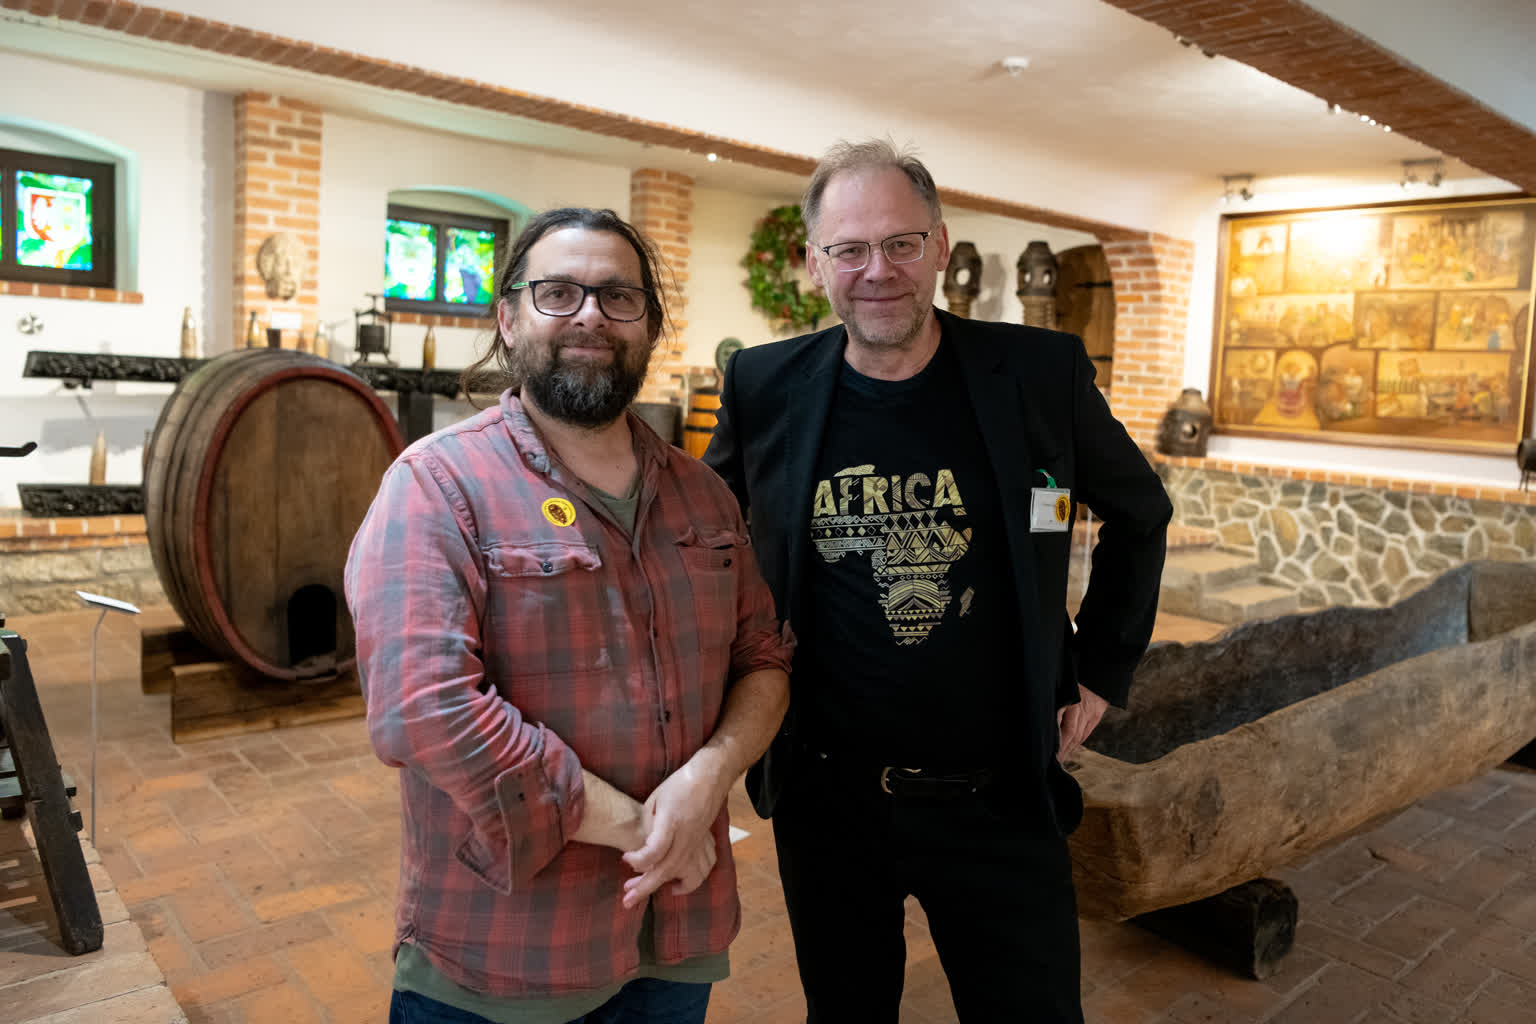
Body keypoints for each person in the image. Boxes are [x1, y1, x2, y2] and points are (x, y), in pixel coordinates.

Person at [703, 141, 1171, 1022]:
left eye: (901, 243)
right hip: (827, 799)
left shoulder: (1038, 374)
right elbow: (704, 538)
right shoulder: (764, 384)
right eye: (850, 249)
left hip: (999, 796)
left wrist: (1102, 670)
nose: (877, 270)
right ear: (815, 263)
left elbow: (1141, 514)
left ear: (941, 246)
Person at [345, 207, 793, 1024]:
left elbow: (762, 657)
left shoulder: (705, 495)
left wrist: (710, 776)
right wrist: (646, 829)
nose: (590, 314)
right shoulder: (437, 485)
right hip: (506, 958)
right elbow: (422, 708)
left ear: (649, 326)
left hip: (677, 941)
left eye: (619, 296)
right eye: (558, 293)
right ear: (509, 318)